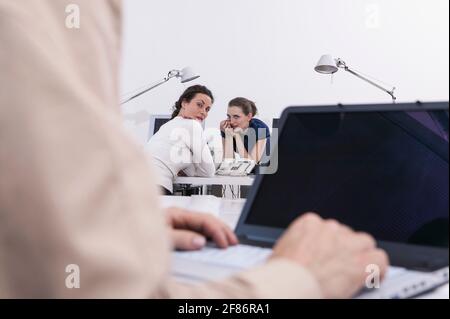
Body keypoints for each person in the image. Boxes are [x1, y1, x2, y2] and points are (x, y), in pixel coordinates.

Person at [0, 0, 388, 298]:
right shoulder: (193, 128)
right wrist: (296, 280)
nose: (218, 115)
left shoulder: (251, 131)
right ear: (185, 105)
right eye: (205, 106)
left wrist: (128, 222)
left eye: (225, 112)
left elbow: (251, 165)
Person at [145, 85, 216, 195]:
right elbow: (209, 171)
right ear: (184, 103)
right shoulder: (192, 125)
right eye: (199, 105)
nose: (203, 112)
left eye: (207, 109)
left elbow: (189, 169)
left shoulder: (167, 126)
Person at [220, 97, 270, 163]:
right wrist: (228, 135)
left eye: (236, 117)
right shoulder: (227, 127)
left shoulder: (260, 128)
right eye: (229, 116)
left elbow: (251, 164)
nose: (231, 121)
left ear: (249, 117)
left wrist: (237, 137)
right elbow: (228, 162)